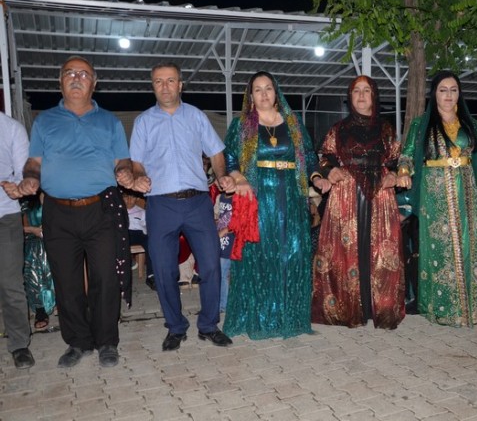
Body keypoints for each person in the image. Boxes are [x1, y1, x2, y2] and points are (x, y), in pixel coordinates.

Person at [11, 56, 133, 368]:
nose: (76, 78)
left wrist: (125, 172)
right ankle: (78, 342)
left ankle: (107, 341)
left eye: (83, 74)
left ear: (94, 83)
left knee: (105, 277)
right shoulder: (45, 121)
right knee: (66, 280)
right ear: (60, 81)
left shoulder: (110, 122)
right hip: (58, 211)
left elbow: (122, 159)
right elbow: (34, 162)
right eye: (69, 73)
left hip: (101, 210)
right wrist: (30, 179)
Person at [129, 62, 234, 351]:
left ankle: (209, 325)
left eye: (170, 80)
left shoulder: (196, 116)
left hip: (197, 202)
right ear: (153, 86)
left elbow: (216, 152)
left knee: (210, 265)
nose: (165, 86)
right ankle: (175, 327)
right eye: (158, 81)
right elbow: (136, 162)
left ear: (180, 85)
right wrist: (139, 176)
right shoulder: (143, 121)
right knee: (164, 271)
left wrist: (222, 175)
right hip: (160, 203)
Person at [222, 71, 331, 339]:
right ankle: (262, 318)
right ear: (251, 96)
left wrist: (316, 177)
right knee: (261, 257)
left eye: (268, 88)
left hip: (291, 195)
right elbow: (230, 159)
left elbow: (309, 156)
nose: (263, 94)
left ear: (276, 92)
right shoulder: (241, 125)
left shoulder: (294, 123)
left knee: (292, 254)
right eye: (257, 89)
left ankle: (290, 316)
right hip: (259, 197)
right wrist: (239, 178)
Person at [397, 70, 477, 327]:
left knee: (469, 246)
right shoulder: (421, 124)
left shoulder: (471, 124)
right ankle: (443, 309)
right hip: (435, 193)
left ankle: (469, 308)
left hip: (468, 191)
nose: (449, 95)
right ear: (435, 94)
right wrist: (404, 172)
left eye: (453, 90)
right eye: (443, 90)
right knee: (440, 249)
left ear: (459, 94)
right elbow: (407, 155)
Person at [311, 75, 405, 329]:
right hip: (346, 194)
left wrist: (394, 174)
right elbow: (325, 157)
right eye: (356, 91)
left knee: (377, 248)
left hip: (379, 194)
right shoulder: (338, 129)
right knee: (348, 248)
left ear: (374, 96)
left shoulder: (386, 129)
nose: (361, 95)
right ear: (349, 97)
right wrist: (330, 170)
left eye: (366, 91)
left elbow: (395, 159)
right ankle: (350, 306)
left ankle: (378, 307)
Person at [0, 111, 35, 369]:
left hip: (5, 215)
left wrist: (15, 186)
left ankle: (19, 344)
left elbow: (25, 173)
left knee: (10, 282)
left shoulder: (12, 129)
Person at [22, 191, 56, 330]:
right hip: (33, 239)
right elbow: (20, 227)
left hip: (55, 236)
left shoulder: (51, 194)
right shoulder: (24, 202)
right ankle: (40, 308)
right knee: (36, 256)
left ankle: (61, 302)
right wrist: (33, 229)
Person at [123, 190, 155, 290]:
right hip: (124, 233)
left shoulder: (141, 212)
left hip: (139, 234)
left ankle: (151, 275)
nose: (129, 200)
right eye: (126, 197)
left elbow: (146, 226)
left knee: (150, 243)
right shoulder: (118, 211)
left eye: (132, 197)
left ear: (137, 198)